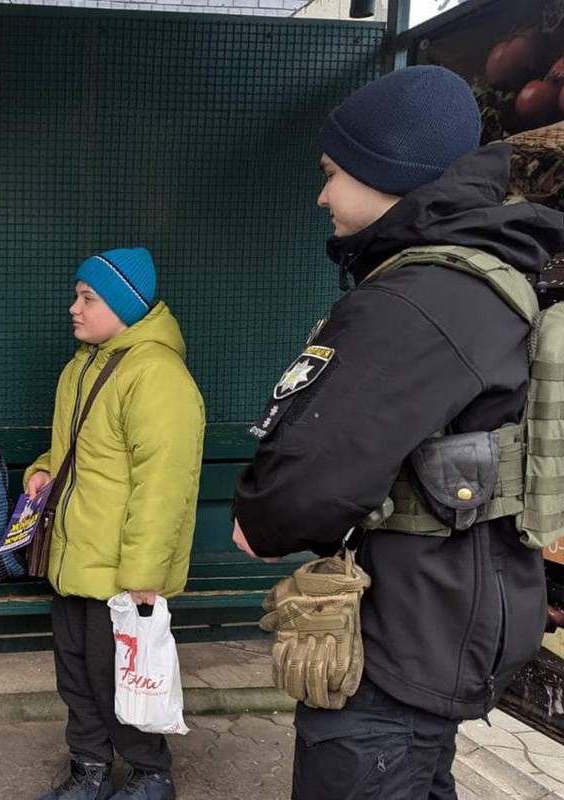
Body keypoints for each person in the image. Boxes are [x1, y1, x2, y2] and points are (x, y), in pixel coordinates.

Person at [232, 65, 564, 800]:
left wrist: (259, 519)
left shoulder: (421, 296)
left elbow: (312, 479)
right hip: (444, 615)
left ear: (387, 168)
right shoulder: (483, 272)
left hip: (399, 645)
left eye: (331, 172)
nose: (321, 195)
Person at [28, 248, 205, 800]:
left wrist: (144, 573)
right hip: (75, 559)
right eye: (77, 295)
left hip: (123, 575)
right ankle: (90, 770)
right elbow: (74, 455)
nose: (74, 308)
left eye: (88, 298)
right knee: (76, 676)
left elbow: (164, 485)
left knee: (120, 680)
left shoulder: (157, 374)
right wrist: (41, 473)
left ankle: (151, 775)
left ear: (126, 306)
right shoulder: (81, 366)